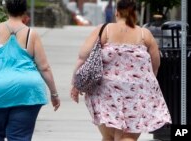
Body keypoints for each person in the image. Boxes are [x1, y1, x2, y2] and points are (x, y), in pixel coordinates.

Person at [70, 0, 171, 141]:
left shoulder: (105, 30)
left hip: (107, 92)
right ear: (134, 14)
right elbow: (155, 64)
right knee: (128, 136)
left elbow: (82, 57)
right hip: (137, 92)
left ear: (116, 12)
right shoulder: (144, 34)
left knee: (109, 136)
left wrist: (75, 84)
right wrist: (148, 85)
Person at [0, 0, 60, 140]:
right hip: (27, 91)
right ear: (25, 12)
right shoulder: (31, 34)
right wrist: (54, 94)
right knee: (20, 136)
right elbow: (44, 67)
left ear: (6, 10)